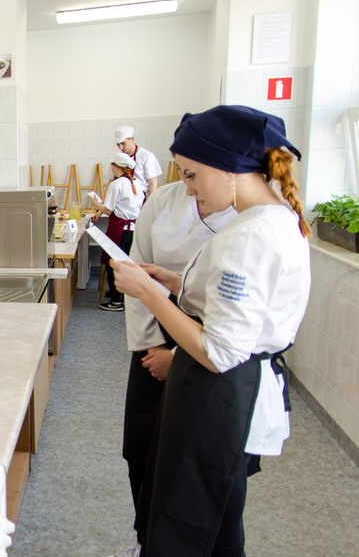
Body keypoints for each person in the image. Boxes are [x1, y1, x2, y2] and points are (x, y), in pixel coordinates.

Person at [112, 105, 311, 556]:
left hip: (219, 389)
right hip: (225, 385)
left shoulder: (249, 236)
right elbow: (239, 307)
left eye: (193, 175)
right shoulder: (274, 221)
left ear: (229, 170)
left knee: (200, 519)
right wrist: (176, 282)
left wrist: (148, 292)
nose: (189, 188)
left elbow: (219, 351)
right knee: (203, 508)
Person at [114, 181, 236, 557]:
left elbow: (227, 334)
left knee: (195, 467)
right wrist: (153, 344)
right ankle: (146, 539)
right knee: (141, 446)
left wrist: (178, 358)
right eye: (183, 172)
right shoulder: (166, 200)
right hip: (156, 334)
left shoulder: (251, 223)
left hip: (207, 350)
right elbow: (140, 273)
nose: (190, 186)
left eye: (195, 174)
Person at [91, 152, 144, 312]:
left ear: (115, 167)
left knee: (112, 264)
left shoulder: (117, 185)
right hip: (132, 229)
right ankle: (122, 295)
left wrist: (95, 203)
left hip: (118, 229)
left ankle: (116, 301)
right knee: (126, 263)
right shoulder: (136, 183)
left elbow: (108, 210)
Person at [115, 126, 162, 196]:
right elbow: (111, 180)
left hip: (140, 199)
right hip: (121, 200)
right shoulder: (117, 158)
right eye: (118, 144)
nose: (120, 147)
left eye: (123, 143)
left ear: (132, 139)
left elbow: (153, 183)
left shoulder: (146, 156)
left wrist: (149, 203)